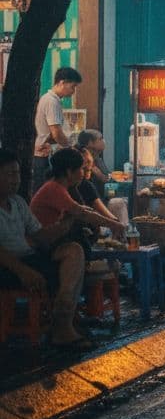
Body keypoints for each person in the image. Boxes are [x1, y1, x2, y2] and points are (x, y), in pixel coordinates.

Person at [0, 148, 87, 349]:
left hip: (28, 257)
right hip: (8, 267)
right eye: (10, 174)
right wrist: (23, 271)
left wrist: (63, 225)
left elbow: (40, 237)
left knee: (74, 251)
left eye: (18, 174)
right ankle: (63, 326)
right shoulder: (52, 188)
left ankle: (63, 317)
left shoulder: (18, 203)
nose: (16, 179)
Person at [32, 67, 81, 188]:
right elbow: (56, 133)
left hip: (43, 152)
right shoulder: (51, 101)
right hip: (42, 155)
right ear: (62, 82)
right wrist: (70, 148)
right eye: (72, 86)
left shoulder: (53, 100)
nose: (73, 91)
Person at [76, 129, 110, 193]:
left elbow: (107, 176)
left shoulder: (97, 157)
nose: (103, 141)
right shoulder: (85, 160)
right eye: (100, 139)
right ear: (90, 143)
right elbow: (104, 178)